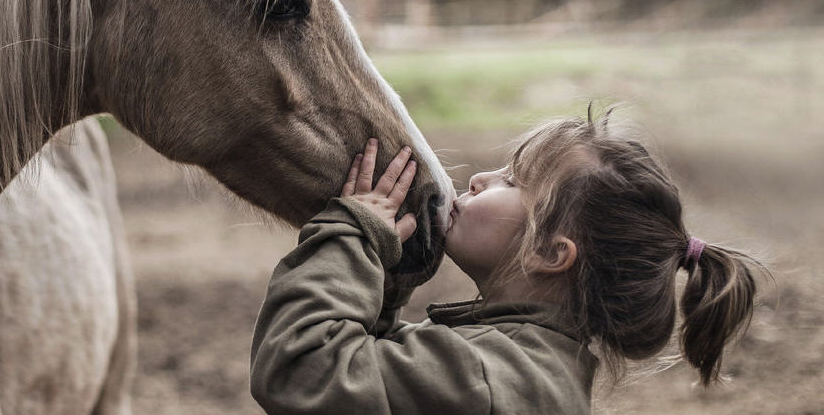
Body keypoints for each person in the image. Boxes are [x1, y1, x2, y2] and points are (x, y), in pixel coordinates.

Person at [250, 111, 763, 414]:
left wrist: (350, 237)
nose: (479, 179)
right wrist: (388, 276)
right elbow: (383, 379)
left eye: (514, 181)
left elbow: (302, 369)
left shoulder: (485, 375)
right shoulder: (525, 368)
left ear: (548, 253)